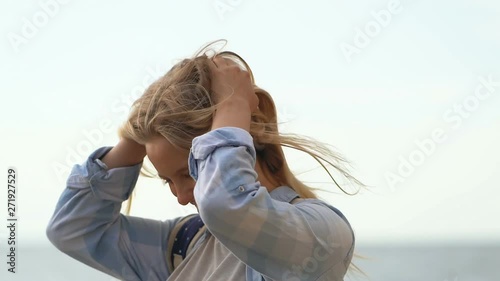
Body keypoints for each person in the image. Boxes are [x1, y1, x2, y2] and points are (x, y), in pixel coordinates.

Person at [46, 41, 365, 281]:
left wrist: (233, 107)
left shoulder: (321, 234)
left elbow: (225, 205)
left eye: (190, 172)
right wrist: (138, 133)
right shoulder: (185, 245)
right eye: (168, 181)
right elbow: (72, 230)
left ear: (240, 140)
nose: (182, 197)